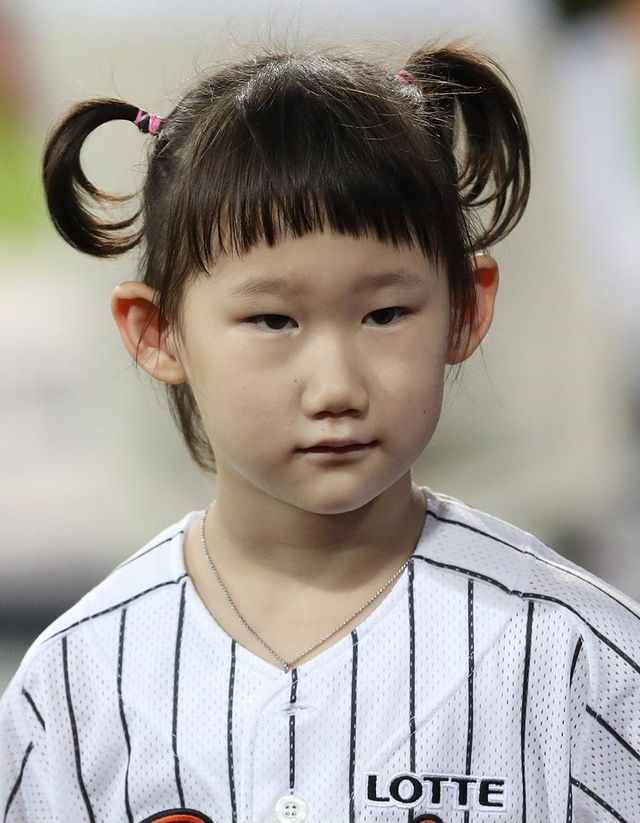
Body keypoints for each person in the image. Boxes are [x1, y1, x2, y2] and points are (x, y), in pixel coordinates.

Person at [1, 40, 638, 823]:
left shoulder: (576, 656)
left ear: (465, 307)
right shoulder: (79, 679)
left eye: (386, 314)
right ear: (157, 331)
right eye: (273, 320)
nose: (336, 386)